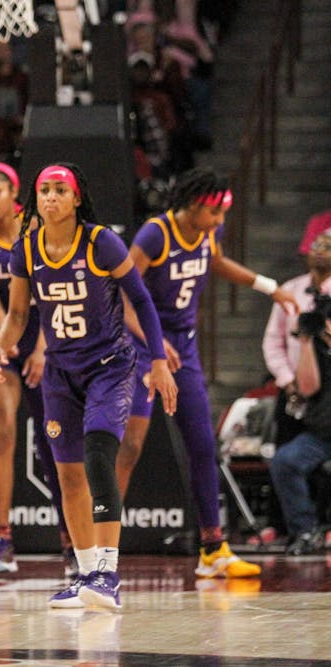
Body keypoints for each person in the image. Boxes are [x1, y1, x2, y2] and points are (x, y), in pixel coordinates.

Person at [0, 162, 177, 611]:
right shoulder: (27, 249)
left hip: (110, 366)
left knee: (98, 456)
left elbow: (141, 299)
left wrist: (158, 361)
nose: (50, 197)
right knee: (67, 474)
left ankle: (108, 574)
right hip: (60, 372)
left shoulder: (100, 242)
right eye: (44, 190)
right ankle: (86, 572)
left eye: (60, 189)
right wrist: (0, 347)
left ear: (76, 198)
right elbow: (18, 315)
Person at [119, 167, 295, 579]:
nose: (219, 222)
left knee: (202, 445)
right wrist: (151, 337)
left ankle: (213, 549)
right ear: (194, 206)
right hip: (144, 348)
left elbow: (217, 263)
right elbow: (120, 291)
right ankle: (97, 550)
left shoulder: (205, 235)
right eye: (214, 214)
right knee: (130, 445)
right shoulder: (154, 235)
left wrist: (271, 287)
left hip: (184, 347)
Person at [0, 163, 72, 577]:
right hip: (0, 337)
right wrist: (5, 346)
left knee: (56, 441)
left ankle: (70, 540)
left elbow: (53, 293)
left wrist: (43, 348)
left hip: (47, 336)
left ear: (13, 193)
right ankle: (1, 541)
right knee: (2, 431)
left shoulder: (39, 227)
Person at [268, 299, 331, 555]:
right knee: (285, 461)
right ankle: (304, 529)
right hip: (322, 434)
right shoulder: (316, 347)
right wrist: (305, 341)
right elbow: (307, 388)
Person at [264, 230, 331, 445]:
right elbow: (273, 342)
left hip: (328, 392)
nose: (319, 252)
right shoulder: (289, 290)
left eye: (327, 247)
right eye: (316, 246)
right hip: (293, 389)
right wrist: (287, 380)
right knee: (283, 451)